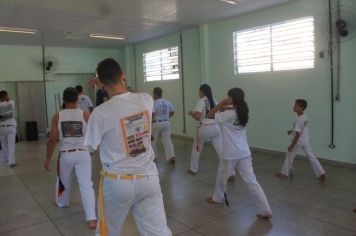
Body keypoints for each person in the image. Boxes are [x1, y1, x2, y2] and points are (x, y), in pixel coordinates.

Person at [84, 58, 171, 236]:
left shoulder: (99, 113)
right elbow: (132, 95)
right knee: (158, 232)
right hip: (149, 178)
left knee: (107, 232)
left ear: (100, 83)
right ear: (123, 75)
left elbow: (90, 147)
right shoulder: (146, 99)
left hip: (118, 182)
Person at [206, 88, 272, 220]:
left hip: (230, 153)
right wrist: (227, 107)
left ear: (232, 99)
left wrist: (222, 103)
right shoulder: (244, 111)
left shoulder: (229, 114)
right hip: (244, 152)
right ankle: (266, 210)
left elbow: (210, 115)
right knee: (251, 181)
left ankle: (218, 198)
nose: (226, 98)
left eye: (228, 96)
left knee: (221, 176)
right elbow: (232, 111)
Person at [44, 87, 97, 229]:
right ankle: (91, 219)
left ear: (64, 100)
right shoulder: (85, 115)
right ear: (78, 99)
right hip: (83, 154)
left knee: (63, 181)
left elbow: (53, 139)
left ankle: (62, 202)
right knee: (86, 185)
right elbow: (93, 134)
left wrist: (48, 159)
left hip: (66, 154)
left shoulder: (57, 116)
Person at [275, 99, 326, 182]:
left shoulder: (298, 119)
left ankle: (284, 173)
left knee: (289, 155)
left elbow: (298, 134)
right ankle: (321, 173)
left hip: (298, 141)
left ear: (301, 108)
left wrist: (291, 145)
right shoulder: (304, 117)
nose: (294, 107)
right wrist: (292, 131)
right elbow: (301, 130)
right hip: (306, 141)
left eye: (296, 105)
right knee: (311, 156)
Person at [187, 84, 221, 175]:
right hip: (216, 128)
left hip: (204, 128)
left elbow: (198, 117)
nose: (198, 93)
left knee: (196, 148)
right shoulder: (214, 100)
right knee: (221, 151)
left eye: (199, 91)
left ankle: (193, 169)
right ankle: (230, 172)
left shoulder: (201, 101)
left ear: (202, 91)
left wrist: (191, 113)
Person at [151, 87, 176, 164]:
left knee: (153, 141)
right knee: (167, 140)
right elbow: (172, 112)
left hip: (156, 123)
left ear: (155, 93)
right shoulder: (168, 102)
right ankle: (171, 156)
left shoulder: (154, 103)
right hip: (167, 123)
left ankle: (154, 157)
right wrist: (167, 117)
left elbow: (152, 114)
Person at [0, 91, 17, 167]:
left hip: (1, 128)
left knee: (3, 144)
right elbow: (9, 99)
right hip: (11, 127)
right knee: (11, 144)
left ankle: (6, 158)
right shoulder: (11, 103)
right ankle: (11, 162)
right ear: (5, 96)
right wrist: (8, 98)